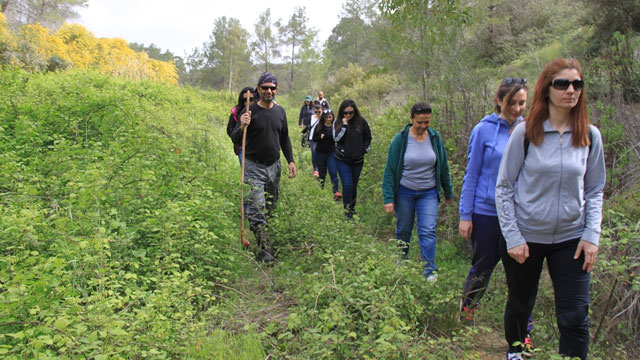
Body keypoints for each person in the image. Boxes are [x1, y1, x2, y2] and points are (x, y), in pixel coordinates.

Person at [495, 58, 605, 360]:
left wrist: (592, 234)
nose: (571, 90)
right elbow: (504, 187)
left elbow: (595, 189)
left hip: (572, 238)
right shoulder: (526, 133)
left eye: (577, 84)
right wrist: (513, 236)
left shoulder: (589, 136)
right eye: (563, 84)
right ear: (547, 88)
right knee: (520, 303)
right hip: (526, 237)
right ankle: (515, 353)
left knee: (575, 315)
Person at [458, 77, 535, 348]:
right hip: (486, 212)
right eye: (511, 102)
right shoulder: (484, 130)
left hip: (519, 214)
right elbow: (472, 174)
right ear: (499, 100)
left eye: (522, 103)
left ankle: (523, 331)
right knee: (482, 268)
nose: (516, 108)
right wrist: (465, 215)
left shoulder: (530, 129)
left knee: (523, 275)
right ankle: (466, 313)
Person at [231, 72, 297, 263]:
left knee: (271, 206)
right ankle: (265, 250)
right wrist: (242, 126)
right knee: (255, 207)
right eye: (265, 87)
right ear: (258, 89)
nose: (269, 91)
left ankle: (268, 239)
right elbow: (235, 138)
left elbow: (284, 138)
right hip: (253, 167)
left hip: (274, 167)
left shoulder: (280, 111)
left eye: (272, 88)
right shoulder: (249, 112)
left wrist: (290, 160)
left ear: (276, 90)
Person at [382, 102, 453, 280]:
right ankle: (402, 261)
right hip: (404, 192)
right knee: (404, 229)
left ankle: (430, 272)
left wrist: (448, 192)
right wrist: (388, 198)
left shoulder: (435, 138)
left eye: (427, 122)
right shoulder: (401, 139)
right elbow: (390, 170)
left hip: (428, 193)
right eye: (420, 122)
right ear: (411, 118)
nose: (423, 126)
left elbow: (443, 167)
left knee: (427, 231)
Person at [333, 99, 371, 220]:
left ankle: (352, 209)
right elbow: (336, 139)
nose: (348, 115)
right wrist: (344, 125)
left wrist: (364, 150)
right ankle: (347, 211)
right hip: (342, 159)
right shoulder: (338, 122)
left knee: (354, 185)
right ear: (342, 112)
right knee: (347, 185)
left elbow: (368, 138)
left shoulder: (361, 122)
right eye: (346, 112)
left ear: (355, 111)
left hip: (357, 160)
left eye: (351, 112)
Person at [312, 110, 341, 200]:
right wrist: (319, 137)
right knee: (322, 173)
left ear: (333, 118)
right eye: (327, 117)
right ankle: (321, 190)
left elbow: (339, 138)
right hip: (320, 153)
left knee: (333, 172)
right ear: (324, 118)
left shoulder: (335, 127)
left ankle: (336, 192)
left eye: (330, 117)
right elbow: (314, 138)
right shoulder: (319, 126)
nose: (328, 119)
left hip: (331, 153)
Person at [226, 87, 255, 164]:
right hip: (242, 148)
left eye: (251, 99)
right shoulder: (236, 112)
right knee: (247, 174)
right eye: (245, 100)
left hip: (256, 149)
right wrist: (239, 131)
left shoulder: (260, 111)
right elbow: (230, 130)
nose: (248, 102)